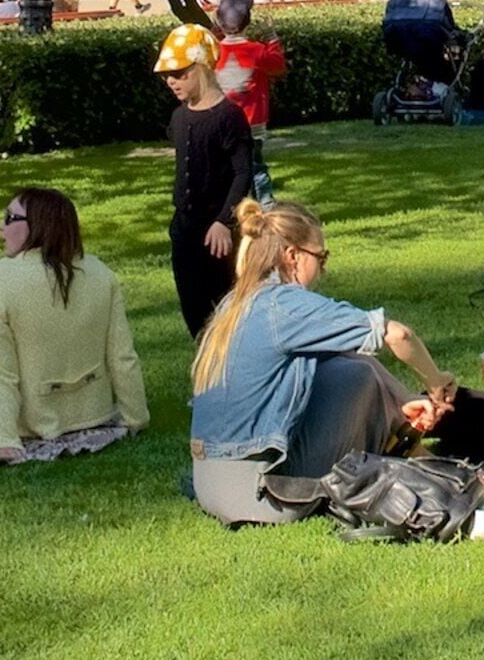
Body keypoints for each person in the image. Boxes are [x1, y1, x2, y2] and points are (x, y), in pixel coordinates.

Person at [185, 199, 458, 525]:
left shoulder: (234, 302)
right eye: (321, 257)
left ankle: (412, 451)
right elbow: (399, 335)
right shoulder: (283, 304)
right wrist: (435, 380)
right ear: (292, 256)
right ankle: (409, 466)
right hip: (262, 495)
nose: (324, 269)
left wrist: (404, 400)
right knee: (356, 378)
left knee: (347, 366)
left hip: (211, 485)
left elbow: (345, 353)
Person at [0, 186, 147, 457]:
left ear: (38, 225)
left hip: (24, 423)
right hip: (91, 414)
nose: (0, 227)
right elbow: (122, 356)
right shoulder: (101, 274)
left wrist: (5, 438)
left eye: (10, 218)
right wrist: (136, 417)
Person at [161, 27, 258, 336]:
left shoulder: (228, 116)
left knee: (227, 310)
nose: (171, 81)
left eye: (179, 73)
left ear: (202, 68)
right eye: (167, 76)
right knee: (194, 310)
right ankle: (205, 359)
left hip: (218, 230)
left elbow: (242, 172)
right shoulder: (179, 117)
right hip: (185, 230)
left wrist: (223, 220)